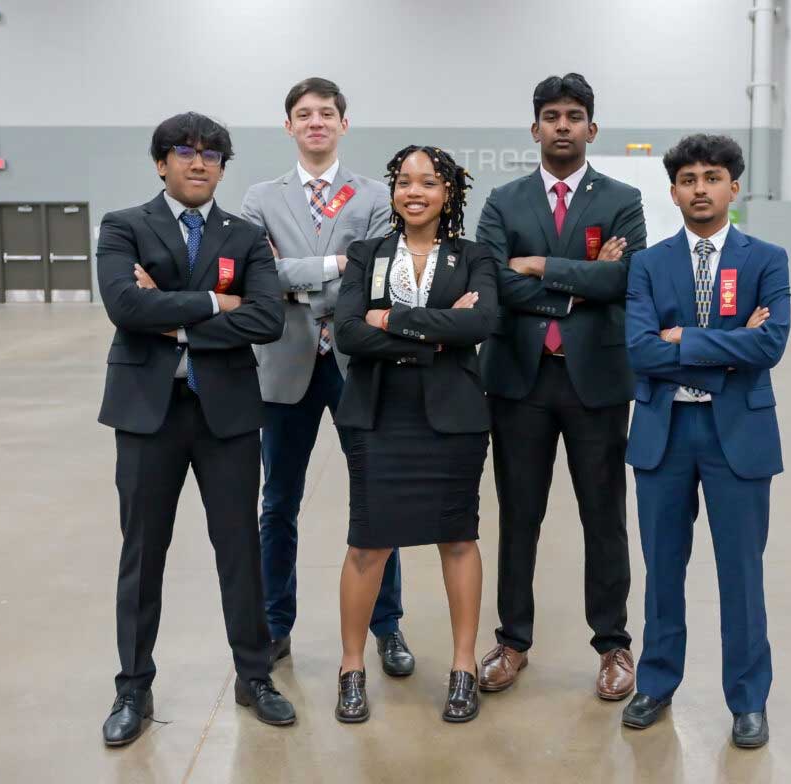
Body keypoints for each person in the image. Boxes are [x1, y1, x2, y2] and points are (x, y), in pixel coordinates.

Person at [95, 112, 294, 746]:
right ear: (161, 162)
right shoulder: (124, 226)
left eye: (212, 155)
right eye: (184, 152)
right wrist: (214, 302)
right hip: (148, 414)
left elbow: (266, 319)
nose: (199, 163)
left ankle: (254, 675)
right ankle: (133, 686)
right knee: (142, 553)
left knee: (240, 551)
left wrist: (171, 315)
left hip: (227, 416)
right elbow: (124, 307)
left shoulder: (245, 235)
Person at [475, 73, 647, 698]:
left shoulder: (622, 198)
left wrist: (544, 266)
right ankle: (512, 639)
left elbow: (626, 280)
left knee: (604, 516)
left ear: (591, 128)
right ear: (536, 128)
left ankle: (613, 645)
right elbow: (494, 282)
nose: (564, 125)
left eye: (575, 115)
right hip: (519, 381)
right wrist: (580, 286)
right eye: (552, 116)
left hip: (596, 383)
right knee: (519, 515)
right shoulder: (504, 201)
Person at [621, 134, 790, 749]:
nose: (700, 188)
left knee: (741, 572)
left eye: (712, 177)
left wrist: (680, 341)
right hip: (664, 436)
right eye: (688, 179)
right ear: (673, 191)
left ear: (733, 187)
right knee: (663, 568)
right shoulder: (648, 263)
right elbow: (638, 349)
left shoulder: (766, 259)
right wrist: (723, 348)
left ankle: (748, 699)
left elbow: (770, 345)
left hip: (738, 437)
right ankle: (657, 681)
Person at [240, 78, 414, 675]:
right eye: (304, 114)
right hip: (284, 365)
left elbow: (376, 272)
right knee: (278, 501)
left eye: (326, 113)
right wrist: (335, 266)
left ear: (344, 123)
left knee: (377, 498)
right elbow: (258, 273)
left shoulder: (372, 196)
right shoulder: (260, 197)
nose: (316, 122)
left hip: (354, 362)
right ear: (288, 126)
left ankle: (387, 626)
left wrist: (301, 278)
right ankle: (274, 625)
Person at [332, 146, 497, 723]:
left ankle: (462, 667)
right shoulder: (366, 254)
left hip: (452, 419)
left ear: (448, 192)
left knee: (457, 537)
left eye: (428, 181)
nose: (415, 191)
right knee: (368, 543)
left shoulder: (473, 257)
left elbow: (480, 323)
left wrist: (393, 319)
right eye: (404, 181)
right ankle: (351, 668)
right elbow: (349, 332)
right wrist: (438, 330)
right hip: (378, 417)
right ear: (393, 192)